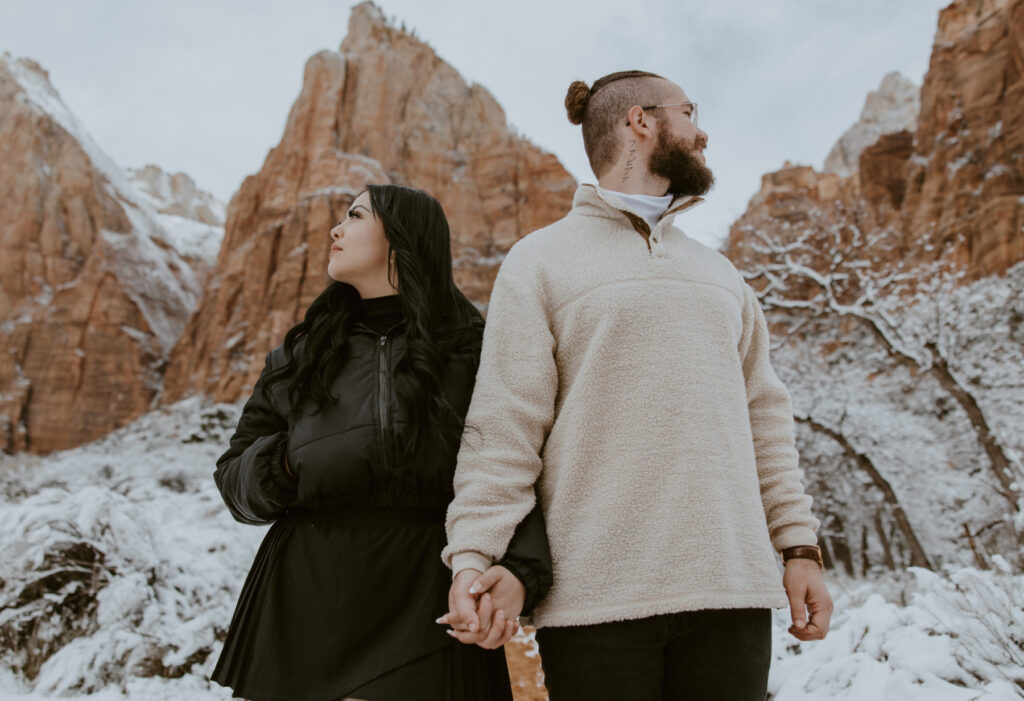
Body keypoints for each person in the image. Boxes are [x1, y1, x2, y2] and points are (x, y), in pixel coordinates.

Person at [440, 70, 833, 700]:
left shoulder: (721, 275)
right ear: (640, 120)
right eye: (689, 112)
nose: (702, 132)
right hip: (595, 603)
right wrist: (473, 557)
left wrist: (799, 547)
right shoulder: (539, 262)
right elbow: (505, 427)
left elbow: (765, 418)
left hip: (731, 591)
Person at [210, 184, 552, 701]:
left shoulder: (473, 350)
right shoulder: (299, 355)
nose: (335, 229)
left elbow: (520, 465)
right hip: (306, 594)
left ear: (402, 237)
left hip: (426, 590)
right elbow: (234, 479)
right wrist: (286, 463)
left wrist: (519, 569)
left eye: (354, 216)